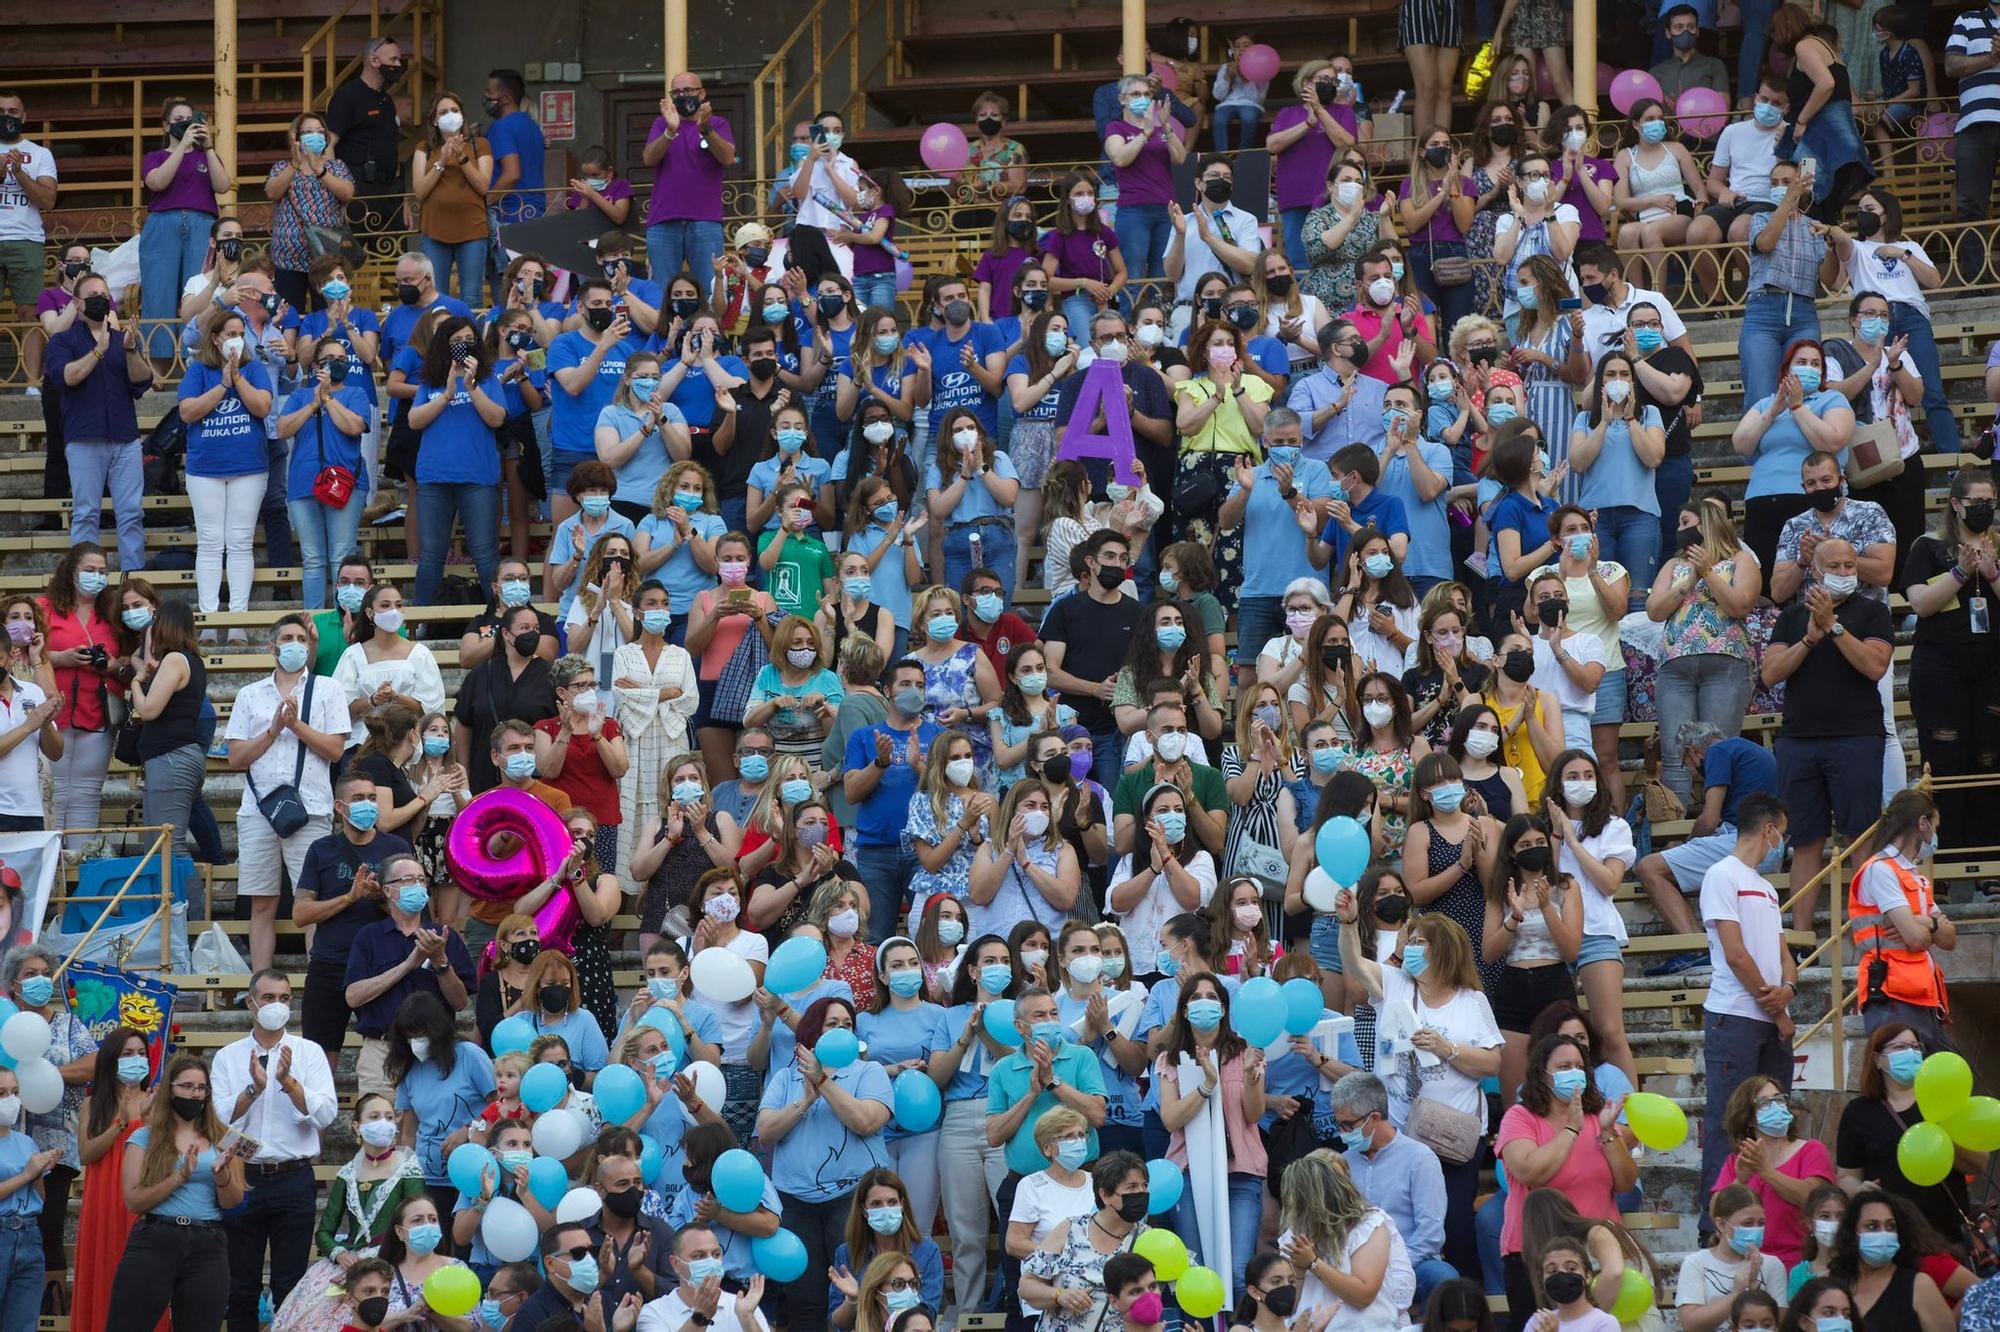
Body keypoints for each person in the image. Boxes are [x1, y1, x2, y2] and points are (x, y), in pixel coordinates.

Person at [1338, 906, 1499, 1278]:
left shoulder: (1472, 1001)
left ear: (1442, 949)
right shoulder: (1395, 983)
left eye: (1418, 942)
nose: (1410, 948)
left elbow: (1492, 1063)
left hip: (1456, 1141)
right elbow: (1354, 963)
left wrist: (1448, 1049)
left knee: (1455, 1226)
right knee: (1396, 1225)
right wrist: (1348, 924)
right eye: (1409, 941)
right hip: (1402, 1137)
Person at [1762, 539, 1893, 930]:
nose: (1844, 573)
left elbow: (1874, 667)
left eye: (1850, 566)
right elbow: (1770, 674)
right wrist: (1809, 639)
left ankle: (1866, 937)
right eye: (1834, 566)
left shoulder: (1873, 612)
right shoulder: (1789, 618)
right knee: (1804, 842)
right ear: (1815, 571)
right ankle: (1801, 939)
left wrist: (1833, 627)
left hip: (1856, 737)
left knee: (1860, 838)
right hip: (1799, 740)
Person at [211, 970, 337, 1332]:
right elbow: (216, 1121)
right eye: (268, 998)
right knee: (240, 1285)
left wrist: (289, 1083)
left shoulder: (308, 1052)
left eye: (284, 998)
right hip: (242, 1176)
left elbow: (326, 1113)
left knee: (291, 1285)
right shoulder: (228, 1057)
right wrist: (252, 1090)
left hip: (293, 1177)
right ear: (251, 1003)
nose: (277, 1006)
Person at [757, 995, 892, 1332]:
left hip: (852, 1199)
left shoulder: (869, 1071)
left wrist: (823, 1082)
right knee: (805, 1300)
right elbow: (766, 1132)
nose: (841, 1031)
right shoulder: (785, 1079)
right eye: (832, 1024)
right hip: (795, 1202)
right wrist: (804, 1100)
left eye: (848, 1025)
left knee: (857, 1293)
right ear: (812, 1033)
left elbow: (864, 1122)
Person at [225, 615, 350, 971]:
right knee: (261, 903)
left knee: (311, 902)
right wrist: (273, 730)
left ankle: (318, 980)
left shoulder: (328, 689)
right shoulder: (249, 694)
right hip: (258, 810)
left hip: (311, 807)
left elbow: (336, 750)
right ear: (272, 647)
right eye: (287, 637)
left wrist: (294, 726)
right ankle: (261, 981)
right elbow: (236, 757)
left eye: (301, 638)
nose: (295, 643)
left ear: (309, 646)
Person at [1495, 1032, 1638, 1322]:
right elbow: (1530, 1172)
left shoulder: (1598, 1117)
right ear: (1541, 1074)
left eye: (1578, 1066)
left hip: (1594, 1253)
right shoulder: (1520, 1117)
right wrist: (1570, 1131)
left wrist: (1609, 1134)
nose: (1573, 1073)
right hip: (1535, 1254)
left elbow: (1625, 1183)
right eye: (1563, 1067)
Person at [1698, 794, 1798, 1208]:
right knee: (1730, 1121)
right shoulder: (1721, 875)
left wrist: (1789, 989)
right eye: (1782, 833)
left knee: (1777, 1120)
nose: (1783, 843)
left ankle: (1768, 1208)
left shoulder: (1766, 888)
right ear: (1769, 829)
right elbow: (1736, 954)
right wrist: (1777, 1009)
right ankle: (1717, 1220)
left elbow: (1782, 954)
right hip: (1735, 1016)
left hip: (1773, 1016)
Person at [101, 1054, 244, 1332]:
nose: (195, 1093)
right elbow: (133, 1200)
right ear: (170, 1088)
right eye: (187, 1086)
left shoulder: (222, 1138)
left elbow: (233, 1202)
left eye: (201, 1088)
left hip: (208, 1242)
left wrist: (221, 1174)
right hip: (155, 1239)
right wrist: (179, 1177)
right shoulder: (145, 1137)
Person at [1636, 721, 1780, 963]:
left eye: (1687, 765)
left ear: (1693, 751)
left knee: (1648, 868)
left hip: (1747, 841)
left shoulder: (1718, 751)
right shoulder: (1748, 749)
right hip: (1768, 844)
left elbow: (1709, 819)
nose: (1692, 773)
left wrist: (1684, 845)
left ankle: (1695, 950)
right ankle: (1702, 947)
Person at [1836, 1023, 1986, 1242]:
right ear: (1877, 1059)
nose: (1910, 1053)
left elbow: (1979, 1163)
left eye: (1915, 1047)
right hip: (1888, 1237)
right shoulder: (1858, 1112)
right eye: (1899, 1047)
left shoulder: (1944, 1101)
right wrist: (1859, 1190)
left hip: (1947, 1234)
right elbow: (1847, 1176)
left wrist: (1942, 1133)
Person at [341, 854, 475, 1095]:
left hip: (435, 1051)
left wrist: (440, 961)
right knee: (379, 1126)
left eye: (421, 880)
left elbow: (460, 1002)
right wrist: (407, 965)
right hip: (383, 1051)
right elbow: (353, 997)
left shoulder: (443, 936)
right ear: (388, 890)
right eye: (408, 880)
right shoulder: (369, 936)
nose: (417, 886)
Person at [48, 271, 152, 574]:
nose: (100, 300)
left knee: (131, 513)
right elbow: (67, 377)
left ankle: (134, 582)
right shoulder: (63, 341)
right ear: (78, 304)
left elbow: (143, 382)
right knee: (86, 513)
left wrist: (130, 350)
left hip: (125, 439)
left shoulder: (124, 339)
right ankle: (83, 579)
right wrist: (98, 351)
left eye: (104, 295)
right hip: (84, 440)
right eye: (92, 295)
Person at [1330, 1071, 1454, 1303]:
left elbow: (1430, 1234)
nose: (1343, 1133)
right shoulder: (1342, 1162)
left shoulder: (1419, 1158)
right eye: (1340, 1125)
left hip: (1412, 1263)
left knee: (1444, 1279)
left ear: (1374, 1117)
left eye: (1348, 1125)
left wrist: (1393, 1266)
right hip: (1356, 1268)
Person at [1276, 1148, 1417, 1328]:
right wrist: (1299, 1271)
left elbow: (1363, 1295)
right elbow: (1286, 1308)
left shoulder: (1369, 1224)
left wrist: (1313, 1263)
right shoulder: (1294, 1232)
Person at [1711, 1077, 1835, 1268]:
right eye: (1764, 1103)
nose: (1775, 1106)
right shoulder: (1738, 1160)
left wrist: (1765, 1171)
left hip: (1799, 1266)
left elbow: (1814, 1200)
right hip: (1748, 1265)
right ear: (1749, 1117)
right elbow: (1716, 1213)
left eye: (1778, 1099)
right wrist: (1739, 1181)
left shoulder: (1811, 1150)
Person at [1017, 1152, 1148, 1332]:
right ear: (1105, 1195)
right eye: (1132, 1187)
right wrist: (1059, 1295)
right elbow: (1027, 1285)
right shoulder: (1071, 1229)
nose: (1141, 1193)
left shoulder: (1150, 1240)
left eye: (1144, 1186)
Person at [139, 100, 230, 357]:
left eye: (190, 118)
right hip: (163, 224)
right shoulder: (154, 157)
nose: (185, 122)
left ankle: (197, 354)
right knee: (159, 293)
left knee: (199, 290)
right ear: (166, 125)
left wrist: (208, 147)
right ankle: (158, 362)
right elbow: (157, 182)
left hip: (202, 224)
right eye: (179, 118)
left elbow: (223, 185)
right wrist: (182, 147)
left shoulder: (206, 156)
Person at [1770, 5, 1874, 223]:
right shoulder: (1824, 47)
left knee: (1810, 192)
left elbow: (1826, 84)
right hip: (1833, 139)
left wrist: (1801, 119)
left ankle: (1817, 243)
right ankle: (1823, 237)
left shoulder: (1804, 46)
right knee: (1815, 196)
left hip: (1820, 138)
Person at [452, 602, 559, 795]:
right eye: (524, 628)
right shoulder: (481, 673)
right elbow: (463, 724)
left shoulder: (550, 676)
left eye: (536, 629)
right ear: (506, 634)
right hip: (483, 777)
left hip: (535, 781)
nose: (532, 634)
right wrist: (465, 773)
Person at [1826, 1189, 1955, 1332]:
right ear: (1853, 1234)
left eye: (1890, 1226)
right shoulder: (1834, 1281)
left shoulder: (1919, 1286)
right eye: (1872, 1226)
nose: (1883, 1233)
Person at [409, 92, 493, 303]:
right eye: (444, 112)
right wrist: (442, 161)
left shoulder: (479, 145)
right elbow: (420, 191)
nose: (450, 115)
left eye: (455, 111)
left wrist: (462, 158)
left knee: (472, 296)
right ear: (435, 120)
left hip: (472, 230)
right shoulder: (424, 148)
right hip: (435, 231)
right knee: (437, 296)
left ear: (463, 115)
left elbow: (483, 186)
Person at [325, 39, 404, 232]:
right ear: (374, 60)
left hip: (388, 192)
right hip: (358, 189)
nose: (398, 65)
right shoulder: (347, 96)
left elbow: (391, 149)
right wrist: (338, 191)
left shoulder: (386, 99)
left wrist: (402, 200)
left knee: (390, 255)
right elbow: (328, 145)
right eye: (393, 59)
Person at [636, 1226, 769, 1332]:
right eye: (698, 1256)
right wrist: (700, 1318)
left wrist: (747, 1318)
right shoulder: (654, 1312)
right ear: (675, 1264)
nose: (711, 1262)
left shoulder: (743, 1307)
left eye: (716, 1254)